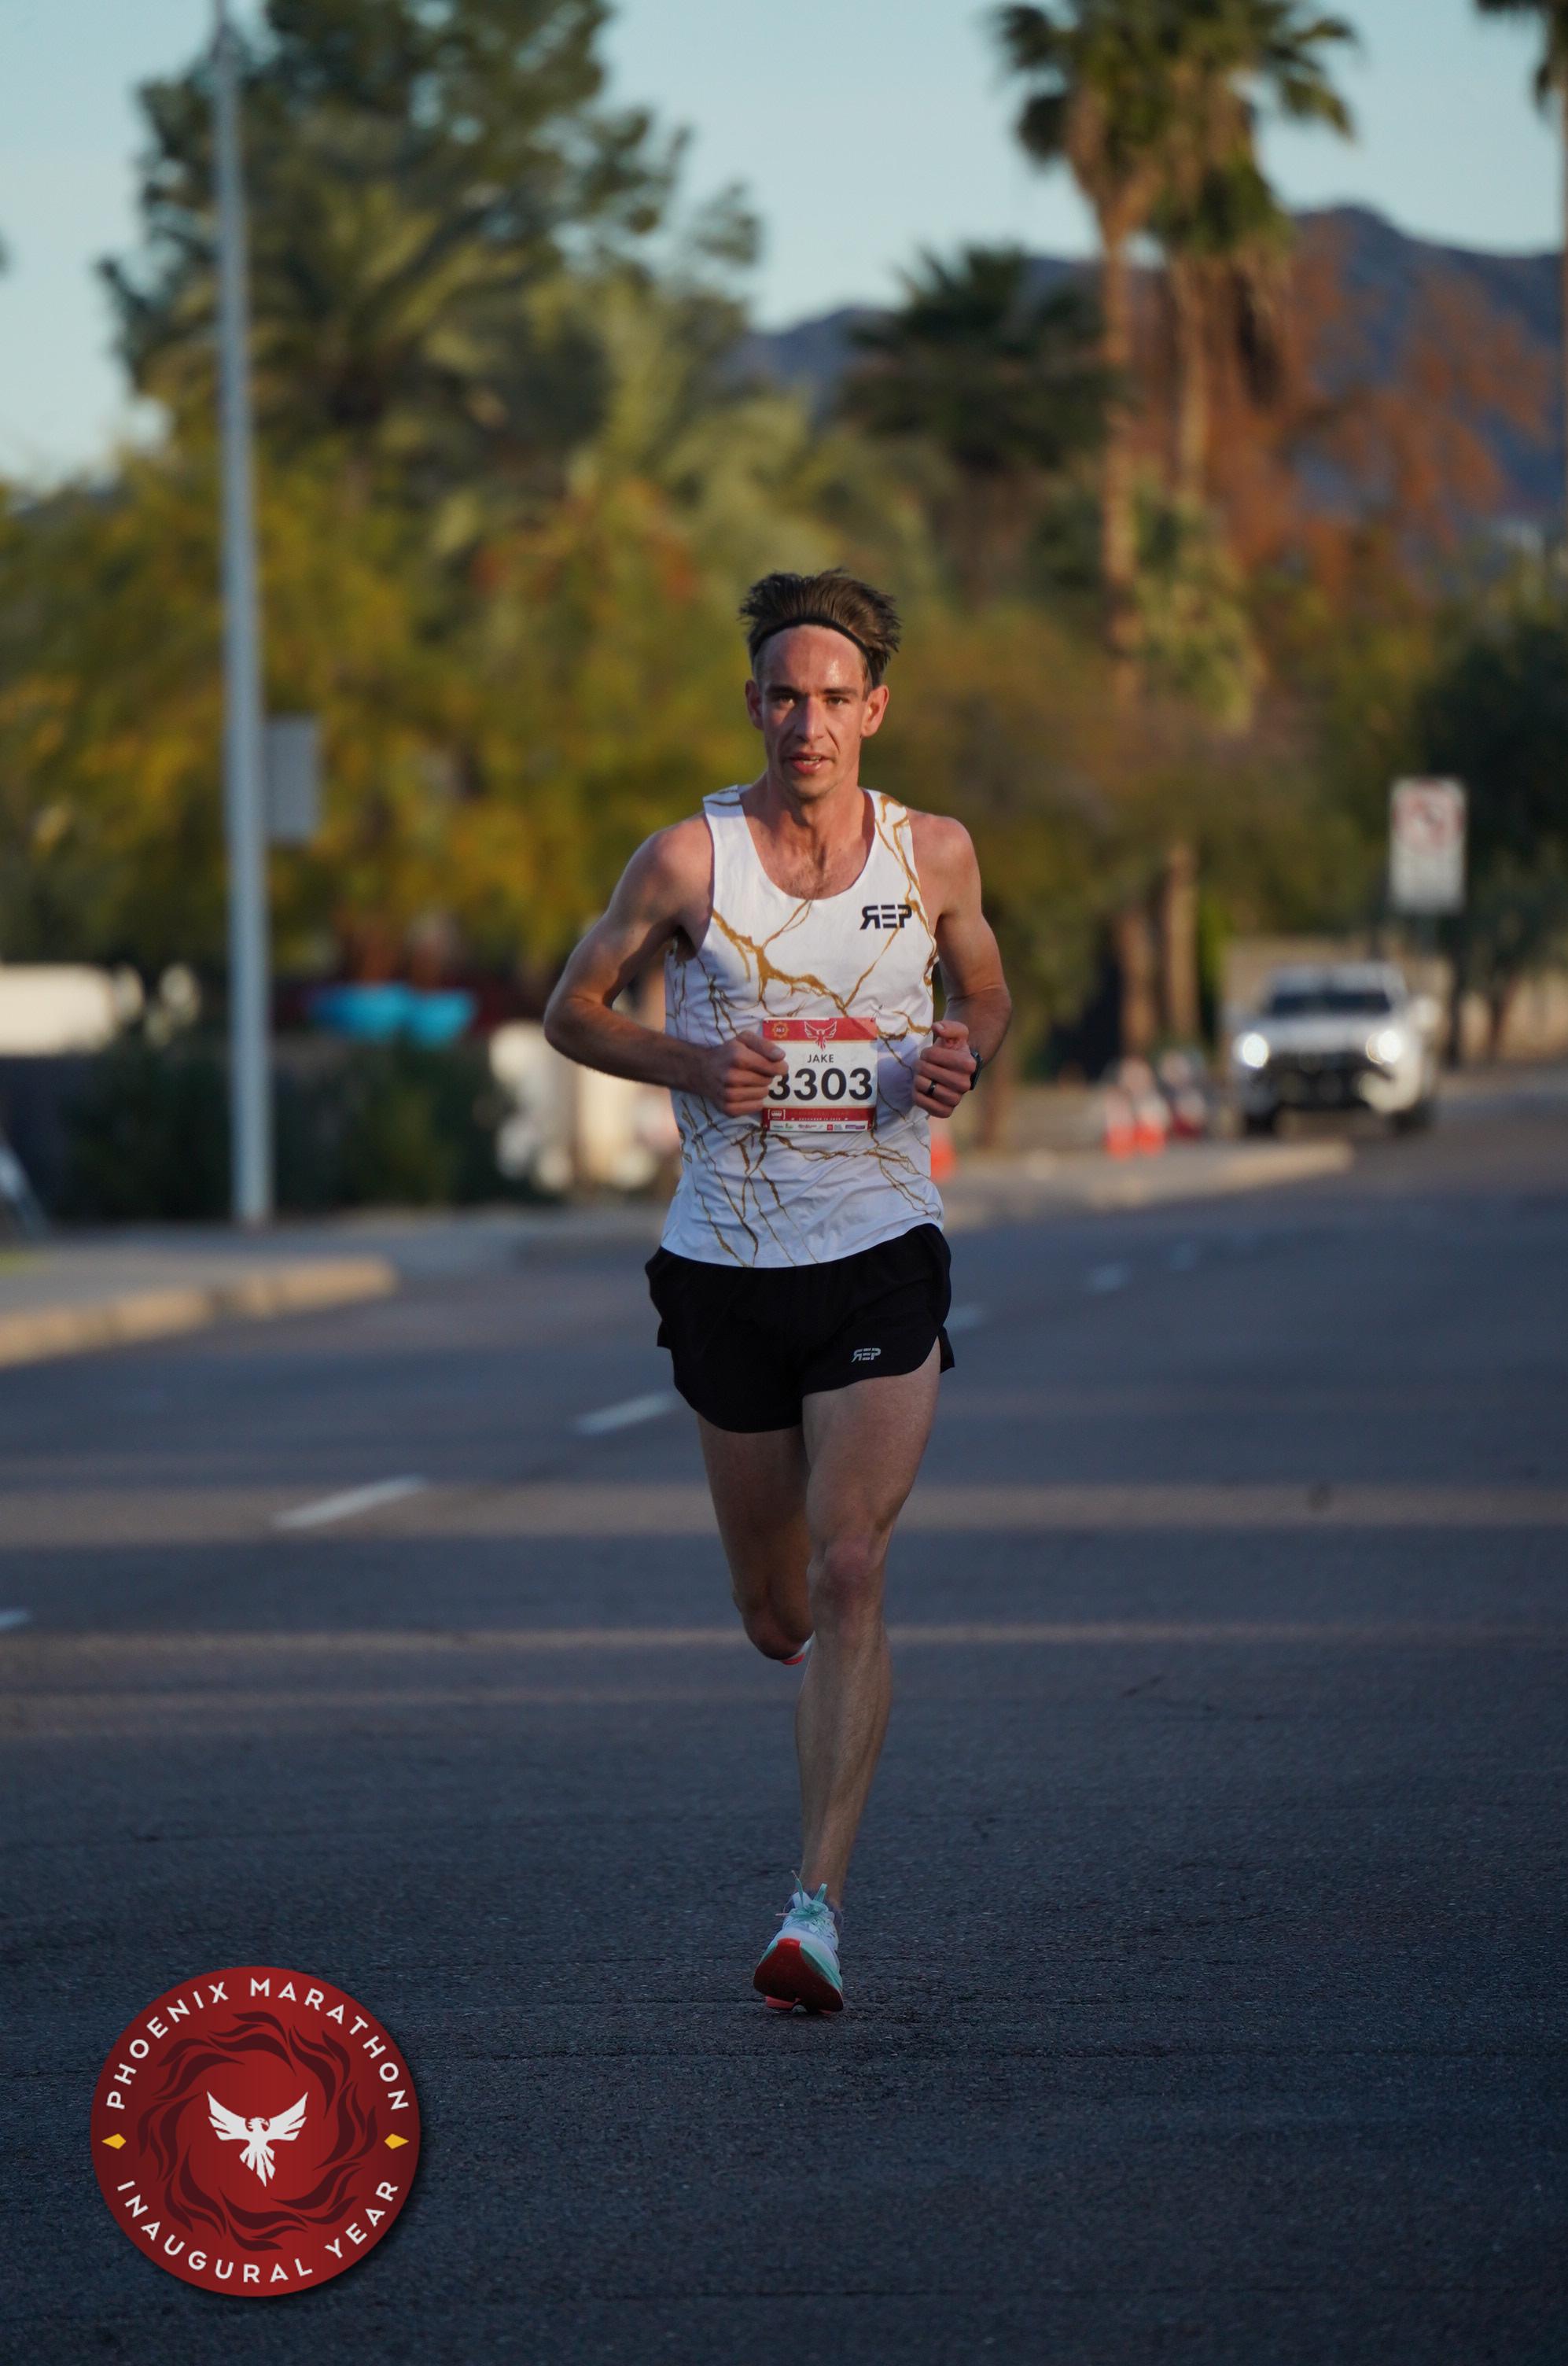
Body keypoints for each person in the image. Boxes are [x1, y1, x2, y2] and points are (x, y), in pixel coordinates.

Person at [544, 568, 1011, 2012]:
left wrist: (964, 1054)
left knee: (852, 1563)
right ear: (754, 706)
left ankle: (816, 1911)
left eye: (834, 699)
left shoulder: (934, 855)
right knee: (778, 1610)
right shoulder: (688, 863)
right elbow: (570, 1011)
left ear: (876, 710)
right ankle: (813, 1667)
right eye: (786, 698)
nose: (809, 722)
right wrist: (694, 1064)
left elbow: (986, 992)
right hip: (728, 1266)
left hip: (880, 1248)